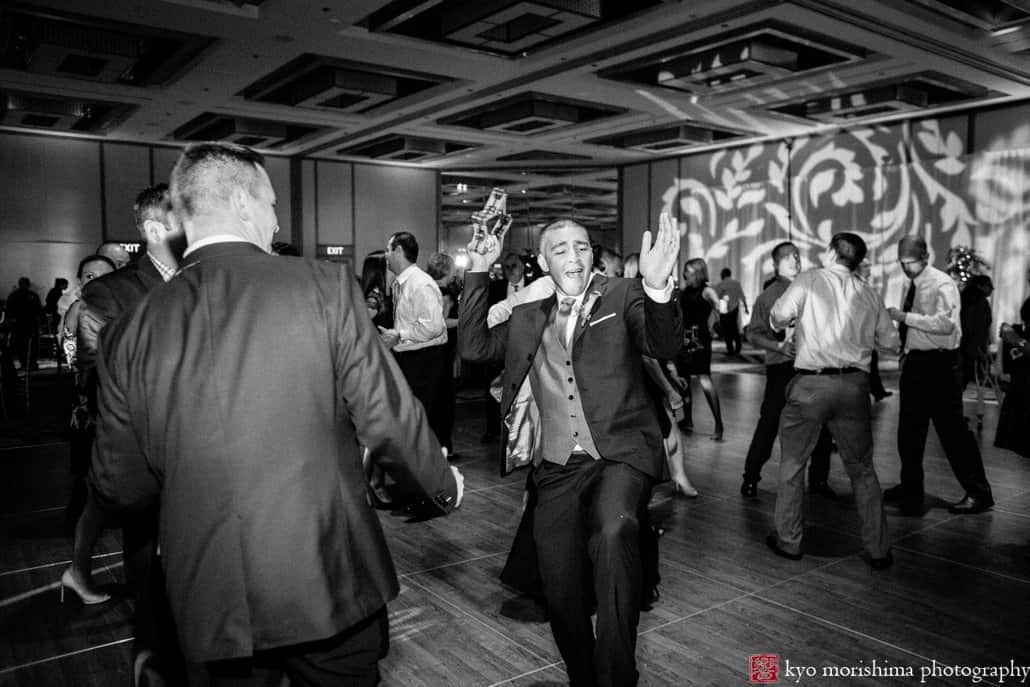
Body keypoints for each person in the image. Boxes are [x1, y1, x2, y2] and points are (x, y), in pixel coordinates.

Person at [90, 142, 463, 686]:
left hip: (206, 596)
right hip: (326, 577)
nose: (275, 218)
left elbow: (119, 485)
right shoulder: (324, 287)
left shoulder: (131, 328)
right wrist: (442, 486)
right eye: (271, 203)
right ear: (243, 203)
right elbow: (389, 421)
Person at [459, 213, 682, 687]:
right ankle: (584, 675)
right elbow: (475, 350)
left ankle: (617, 674)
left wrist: (658, 287)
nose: (574, 257)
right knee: (559, 583)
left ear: (592, 254)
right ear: (543, 262)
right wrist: (478, 270)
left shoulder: (622, 296)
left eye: (581, 247)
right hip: (556, 466)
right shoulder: (528, 315)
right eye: (560, 250)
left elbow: (664, 343)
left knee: (612, 530)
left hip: (619, 454)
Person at [70, 185, 188, 683]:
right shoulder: (109, 293)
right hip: (149, 457)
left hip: (208, 457)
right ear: (156, 230)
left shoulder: (205, 277)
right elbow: (98, 375)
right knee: (152, 574)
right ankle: (152, 657)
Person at [767, 232, 896, 569]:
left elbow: (779, 315)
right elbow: (890, 341)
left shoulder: (809, 280)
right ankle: (879, 549)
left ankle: (789, 541)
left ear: (829, 253)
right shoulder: (868, 292)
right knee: (862, 469)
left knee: (793, 465)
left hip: (811, 385)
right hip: (854, 386)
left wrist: (792, 323)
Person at [884, 236, 994, 515]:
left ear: (925, 256)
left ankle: (978, 492)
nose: (905, 268)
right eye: (902, 263)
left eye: (909, 262)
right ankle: (910, 488)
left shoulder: (941, 283)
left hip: (940, 366)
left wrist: (903, 317)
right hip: (918, 363)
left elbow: (946, 325)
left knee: (953, 432)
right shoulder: (916, 283)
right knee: (909, 431)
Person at [740, 242, 834, 499]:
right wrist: (779, 346)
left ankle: (819, 480)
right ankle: (750, 477)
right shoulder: (769, 296)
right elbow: (753, 334)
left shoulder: (810, 289)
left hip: (812, 368)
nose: (794, 261)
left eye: (796, 256)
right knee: (769, 423)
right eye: (787, 258)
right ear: (776, 264)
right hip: (782, 369)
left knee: (821, 426)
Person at [60, 255, 116, 537]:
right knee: (87, 472)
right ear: (80, 281)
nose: (98, 282)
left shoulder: (119, 308)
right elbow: (76, 363)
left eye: (105, 276)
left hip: (115, 402)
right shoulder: (79, 309)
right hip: (89, 403)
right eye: (90, 276)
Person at [382, 231, 450, 445]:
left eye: (387, 249)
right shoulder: (403, 282)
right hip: (410, 360)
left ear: (399, 251)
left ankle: (421, 472)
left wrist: (399, 336)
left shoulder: (420, 283)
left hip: (422, 362)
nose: (385, 255)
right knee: (409, 421)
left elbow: (434, 326)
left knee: (418, 422)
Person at [674, 258, 724, 440]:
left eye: (689, 271)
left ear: (698, 272)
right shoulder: (685, 291)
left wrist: (714, 324)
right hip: (684, 339)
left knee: (704, 378)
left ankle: (719, 425)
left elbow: (719, 310)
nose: (685, 274)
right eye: (685, 270)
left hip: (700, 339)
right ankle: (687, 419)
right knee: (684, 380)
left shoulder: (707, 290)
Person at [427, 252, 461, 458]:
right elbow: (441, 323)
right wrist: (462, 322)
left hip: (432, 352)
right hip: (443, 351)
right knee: (444, 403)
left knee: (435, 402)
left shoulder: (427, 289)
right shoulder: (444, 293)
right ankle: (443, 448)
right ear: (446, 270)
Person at [858, 260, 891, 401]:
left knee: (871, 363)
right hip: (860, 336)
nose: (869, 268)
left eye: (869, 265)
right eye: (865, 266)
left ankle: (877, 391)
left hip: (867, 334)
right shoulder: (857, 286)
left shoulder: (865, 286)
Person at [6, 277, 42, 371]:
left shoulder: (14, 295)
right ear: (28, 284)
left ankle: (24, 363)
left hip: (19, 324)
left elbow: (9, 310)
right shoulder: (33, 295)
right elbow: (39, 310)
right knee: (33, 345)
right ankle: (32, 364)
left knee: (21, 345)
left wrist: (10, 321)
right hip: (31, 323)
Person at [714, 267, 748, 355]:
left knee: (726, 330)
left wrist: (716, 309)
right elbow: (742, 296)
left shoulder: (720, 284)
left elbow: (716, 297)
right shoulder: (736, 283)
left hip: (724, 308)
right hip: (734, 308)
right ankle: (738, 347)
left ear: (723, 275)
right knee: (734, 328)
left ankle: (730, 349)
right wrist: (746, 307)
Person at [360, 251, 392, 329]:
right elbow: (363, 328)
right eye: (388, 266)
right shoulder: (373, 297)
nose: (392, 269)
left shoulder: (381, 293)